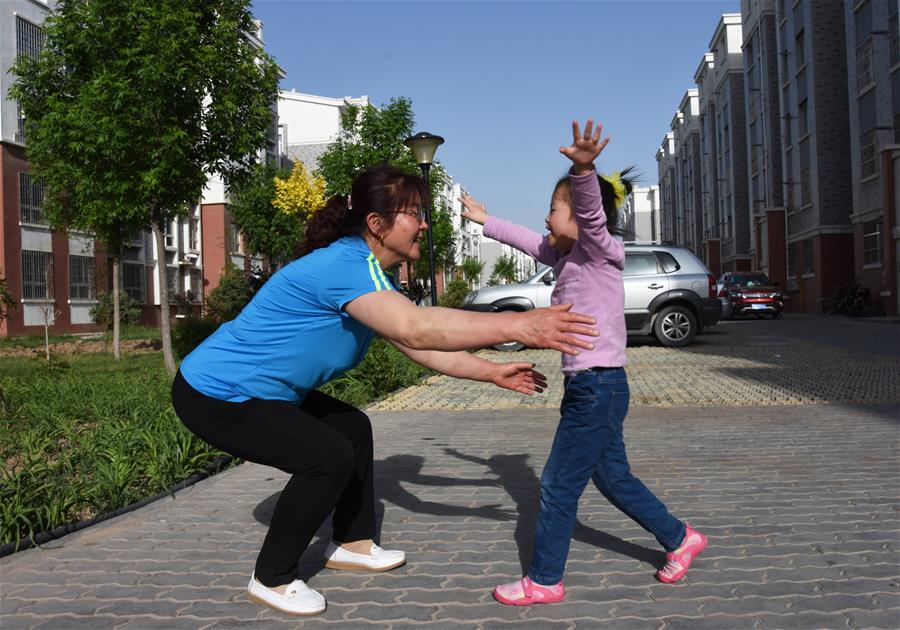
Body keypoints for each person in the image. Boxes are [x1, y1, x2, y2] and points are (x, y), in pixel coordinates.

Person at [171, 164, 600, 617]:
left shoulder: (371, 274)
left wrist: (489, 373)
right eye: (413, 212)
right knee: (325, 457)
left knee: (352, 428)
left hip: (262, 390)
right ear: (377, 225)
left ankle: (352, 542)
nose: (423, 223)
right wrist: (521, 324)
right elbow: (417, 329)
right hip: (216, 393)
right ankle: (272, 577)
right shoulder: (345, 265)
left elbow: (418, 344)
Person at [459, 120, 707, 606]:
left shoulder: (598, 251)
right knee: (613, 477)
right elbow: (527, 241)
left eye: (554, 209)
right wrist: (483, 220)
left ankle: (544, 580)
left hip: (596, 388)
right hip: (594, 387)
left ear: (580, 213)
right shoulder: (566, 256)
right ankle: (680, 538)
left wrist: (583, 169)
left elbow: (591, 214)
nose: (546, 217)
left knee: (556, 485)